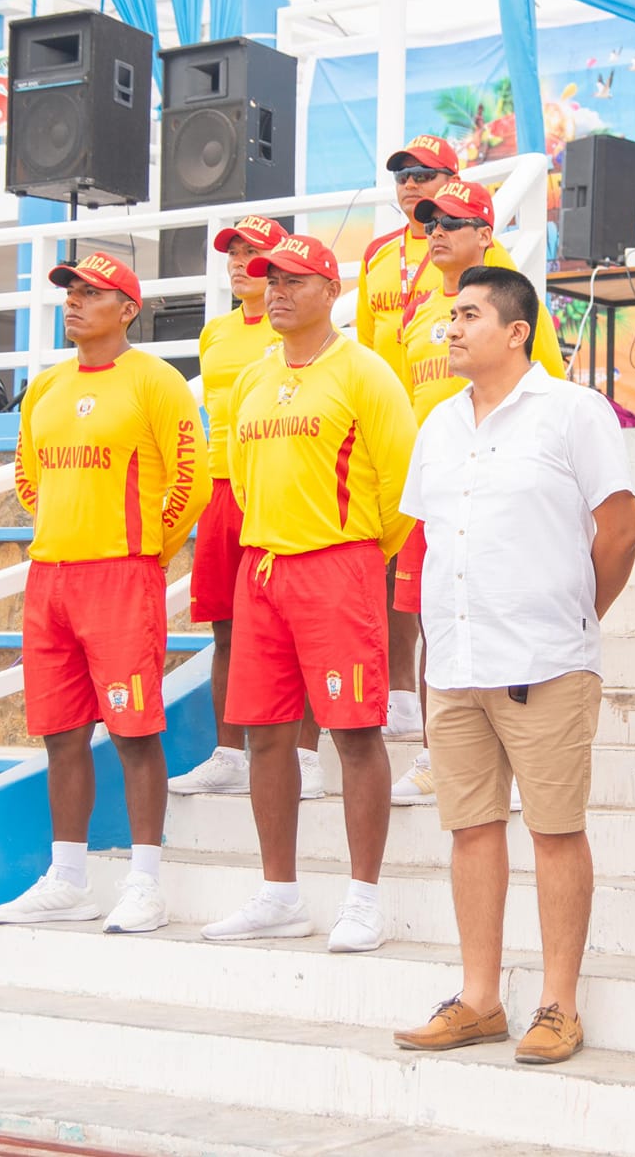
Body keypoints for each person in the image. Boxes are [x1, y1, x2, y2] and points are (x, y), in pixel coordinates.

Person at [393, 265, 635, 1067]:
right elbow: (429, 540)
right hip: (456, 663)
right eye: (450, 315)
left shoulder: (573, 412)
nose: (452, 328)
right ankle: (478, 999)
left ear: (516, 331)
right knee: (470, 831)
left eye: (468, 315)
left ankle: (559, 1006)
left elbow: (622, 528)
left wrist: (574, 615)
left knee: (556, 831)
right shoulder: (437, 425)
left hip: (545, 662)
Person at [203, 234, 419, 952]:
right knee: (267, 736)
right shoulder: (253, 378)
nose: (276, 291)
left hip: (338, 565)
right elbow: (240, 470)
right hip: (262, 568)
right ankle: (279, 893)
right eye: (269, 280)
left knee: (355, 733)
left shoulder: (365, 373)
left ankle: (363, 898)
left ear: (331, 289)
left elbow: (401, 488)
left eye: (294, 279)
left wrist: (356, 554)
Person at [0, 250, 207, 933]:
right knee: (61, 733)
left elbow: (191, 478)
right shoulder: (48, 386)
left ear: (128, 309)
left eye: (92, 293)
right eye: (70, 292)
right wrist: (67, 528)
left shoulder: (157, 380)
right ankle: (68, 877)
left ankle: (145, 881)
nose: (75, 302)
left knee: (133, 729)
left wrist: (145, 552)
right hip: (51, 574)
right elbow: (29, 476)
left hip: (122, 576)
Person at [387, 177, 567, 808]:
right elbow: (398, 397)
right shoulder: (415, 308)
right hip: (436, 486)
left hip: (504, 487)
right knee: (436, 617)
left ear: (486, 236)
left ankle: (513, 760)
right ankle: (442, 753)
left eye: (453, 223)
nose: (435, 231)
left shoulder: (516, 306)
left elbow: (551, 390)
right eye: (430, 222)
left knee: (505, 608)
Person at [170, 214, 326, 804]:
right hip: (223, 487)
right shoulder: (215, 334)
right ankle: (227, 752)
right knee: (225, 628)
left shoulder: (296, 327)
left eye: (250, 251)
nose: (238, 261)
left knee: (299, 628)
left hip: (282, 484)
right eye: (232, 252)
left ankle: (307, 755)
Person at [361, 134, 459, 741]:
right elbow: (369, 351)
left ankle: (438, 717)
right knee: (395, 568)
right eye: (403, 176)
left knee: (436, 577)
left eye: (425, 174)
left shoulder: (472, 249)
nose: (412, 185)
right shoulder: (376, 254)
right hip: (391, 432)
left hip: (448, 433)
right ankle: (399, 694)